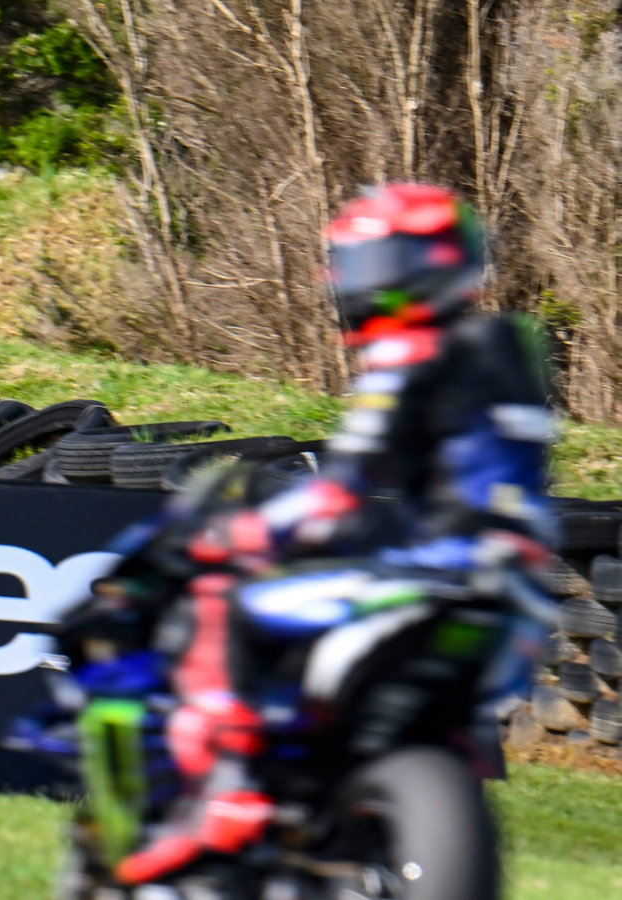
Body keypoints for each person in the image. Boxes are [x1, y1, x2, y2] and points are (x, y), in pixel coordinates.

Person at [60, 182, 558, 887]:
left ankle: (229, 786)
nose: (353, 286)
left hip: (438, 570)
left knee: (226, 603)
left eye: (369, 265)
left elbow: (342, 481)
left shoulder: (411, 353)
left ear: (418, 267)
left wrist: (244, 530)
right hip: (519, 593)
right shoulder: (515, 351)